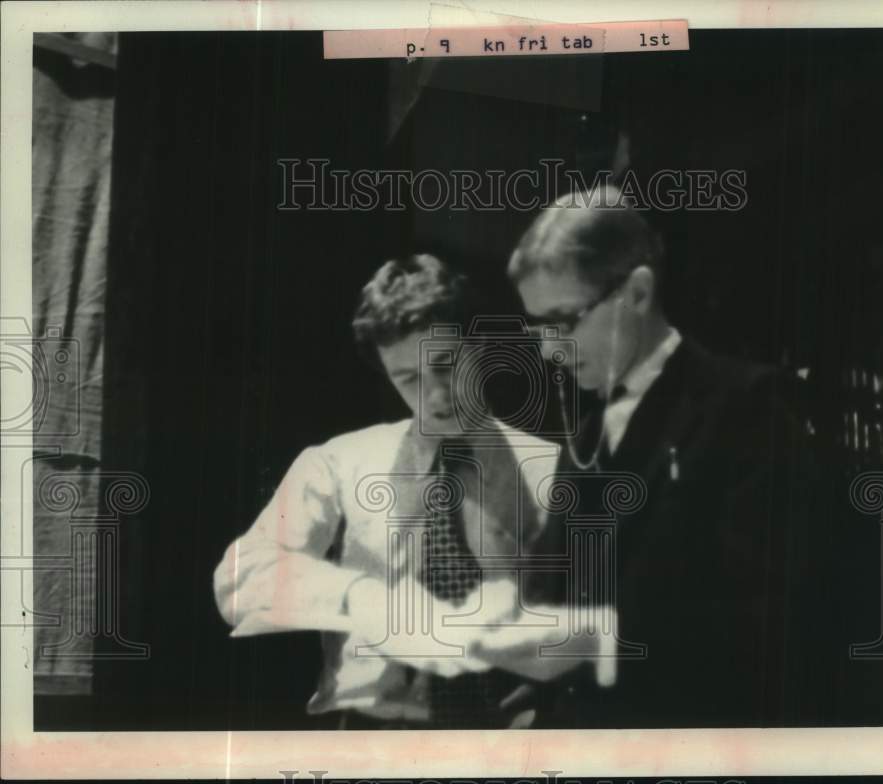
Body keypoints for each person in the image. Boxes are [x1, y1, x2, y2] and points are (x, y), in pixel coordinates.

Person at [472, 185, 801, 728]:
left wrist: (593, 644)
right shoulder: (586, 434)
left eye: (563, 321)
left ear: (639, 294)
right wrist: (534, 686)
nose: (549, 351)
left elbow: (773, 622)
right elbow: (554, 599)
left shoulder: (745, 408)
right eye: (536, 328)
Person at [212, 254, 561, 729]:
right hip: (372, 743)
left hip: (507, 742)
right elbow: (241, 577)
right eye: (409, 379)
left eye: (446, 364)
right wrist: (358, 596)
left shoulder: (553, 472)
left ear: (477, 346)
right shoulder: (339, 463)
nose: (436, 395)